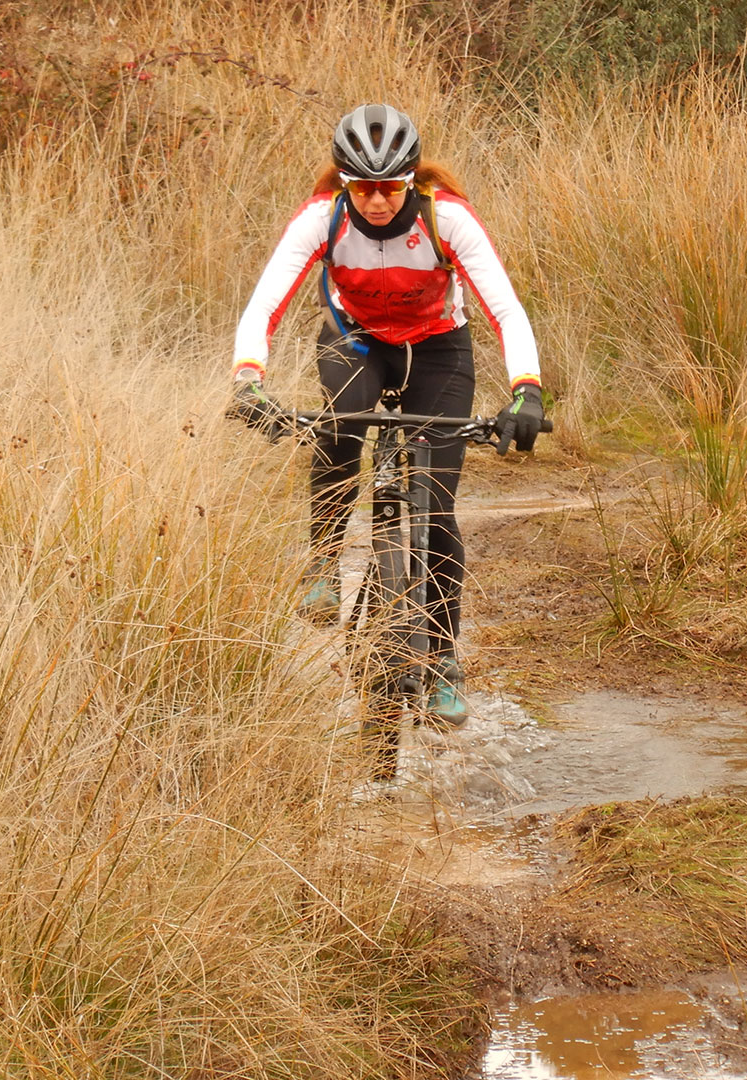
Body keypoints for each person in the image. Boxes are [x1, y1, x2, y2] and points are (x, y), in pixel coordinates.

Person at [226, 103, 544, 729]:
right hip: (358, 340)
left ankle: (445, 659)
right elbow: (265, 302)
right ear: (345, 182)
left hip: (438, 350)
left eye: (389, 187)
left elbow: (505, 309)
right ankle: (323, 559)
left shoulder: (444, 216)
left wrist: (527, 392)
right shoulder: (324, 219)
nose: (376, 200)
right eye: (363, 187)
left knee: (435, 504)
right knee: (341, 419)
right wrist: (247, 381)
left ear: (410, 182)